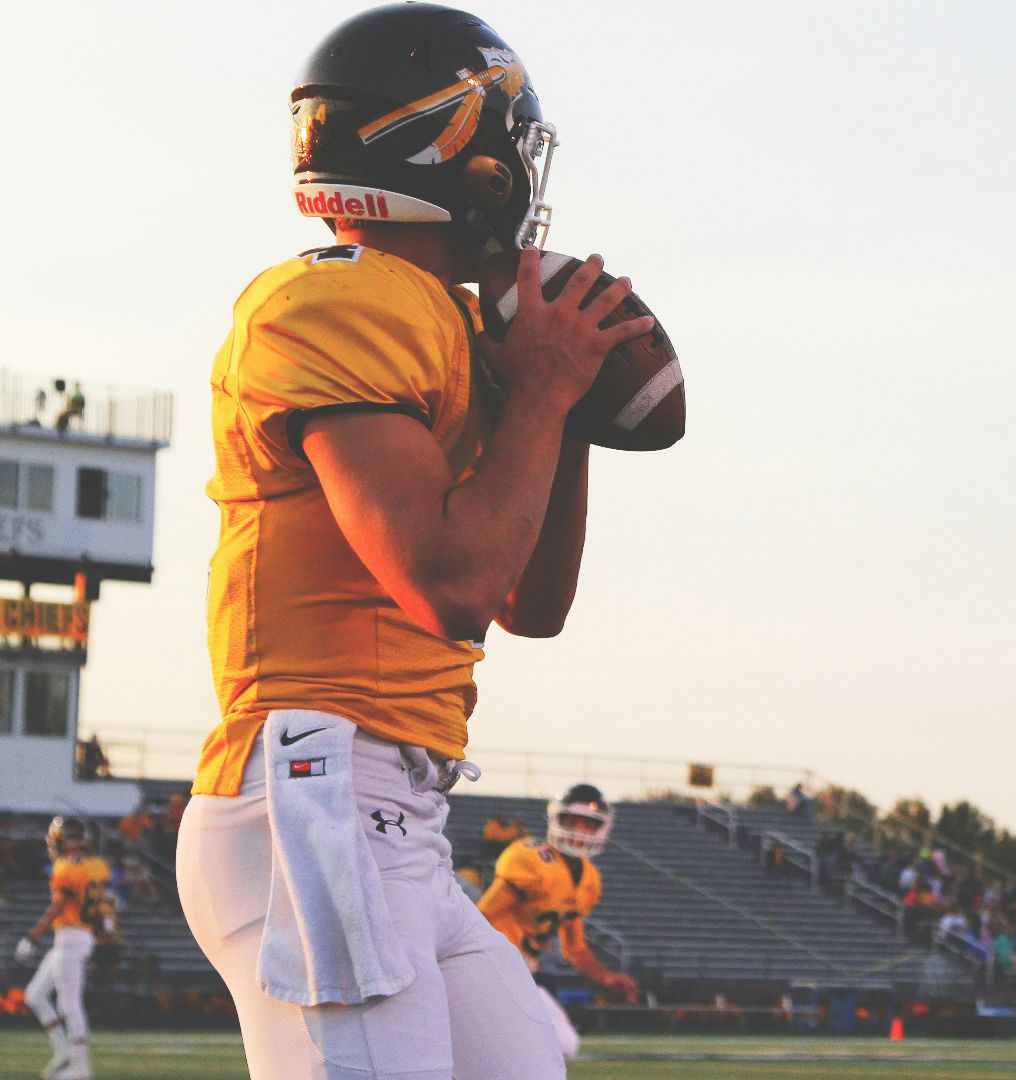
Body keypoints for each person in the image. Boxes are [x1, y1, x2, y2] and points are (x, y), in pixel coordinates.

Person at [173, 6, 657, 1079]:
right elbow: (448, 582)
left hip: (395, 809)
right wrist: (539, 391)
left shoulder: (439, 320)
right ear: (460, 149)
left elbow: (528, 602)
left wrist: (562, 412)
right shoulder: (337, 298)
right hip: (317, 788)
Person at [477, 784, 640, 1060]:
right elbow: (482, 915)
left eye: (588, 823)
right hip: (491, 966)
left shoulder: (588, 879)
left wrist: (606, 977)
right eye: (571, 821)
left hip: (522, 973)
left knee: (564, 1044)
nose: (578, 829)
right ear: (556, 819)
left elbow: (574, 949)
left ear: (601, 828)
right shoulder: (532, 859)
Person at [14, 818, 111, 1079]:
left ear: (62, 840)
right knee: (34, 994)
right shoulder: (98, 866)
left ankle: (81, 1068)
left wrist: (33, 936)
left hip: (71, 936)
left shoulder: (66, 868)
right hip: (78, 936)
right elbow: (103, 905)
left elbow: (57, 906)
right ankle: (63, 1051)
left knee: (69, 1003)